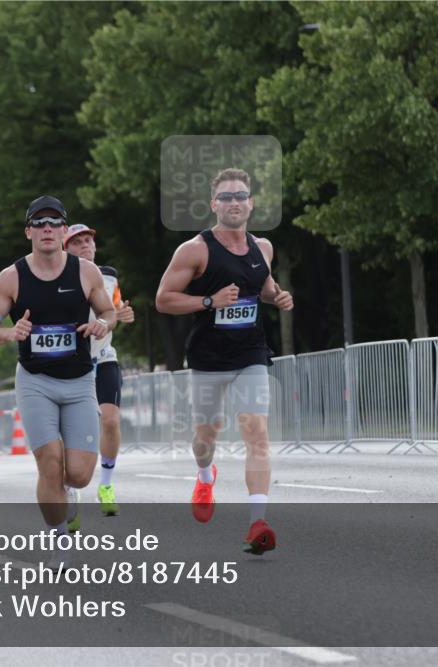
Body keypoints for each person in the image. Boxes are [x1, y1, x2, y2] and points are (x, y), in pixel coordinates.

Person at [156, 167, 294, 555]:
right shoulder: (195, 250)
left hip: (251, 352)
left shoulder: (262, 248)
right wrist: (209, 302)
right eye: (227, 197)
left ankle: (257, 522)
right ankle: (205, 474)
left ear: (251, 203)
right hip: (208, 357)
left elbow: (263, 288)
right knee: (206, 436)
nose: (235, 203)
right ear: (214, 204)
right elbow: (164, 299)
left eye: (241, 196)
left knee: (256, 432)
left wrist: (278, 298)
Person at [0, 196, 115, 564]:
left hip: (80, 380)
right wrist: (11, 333)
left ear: (65, 231)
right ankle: (58, 539)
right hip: (35, 381)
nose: (47, 228)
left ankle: (70, 494)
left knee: (81, 475)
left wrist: (104, 322)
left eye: (55, 222)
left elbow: (108, 311)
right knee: (50, 462)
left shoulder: (86, 272)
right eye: (40, 223)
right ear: (29, 232)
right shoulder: (12, 276)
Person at [63, 223, 135, 516]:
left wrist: (122, 314)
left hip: (103, 355)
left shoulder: (108, 276)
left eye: (89, 240)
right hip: (71, 363)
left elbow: (115, 308)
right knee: (72, 432)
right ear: (65, 248)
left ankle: (105, 484)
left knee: (110, 420)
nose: (86, 245)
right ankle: (69, 488)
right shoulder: (59, 276)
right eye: (78, 242)